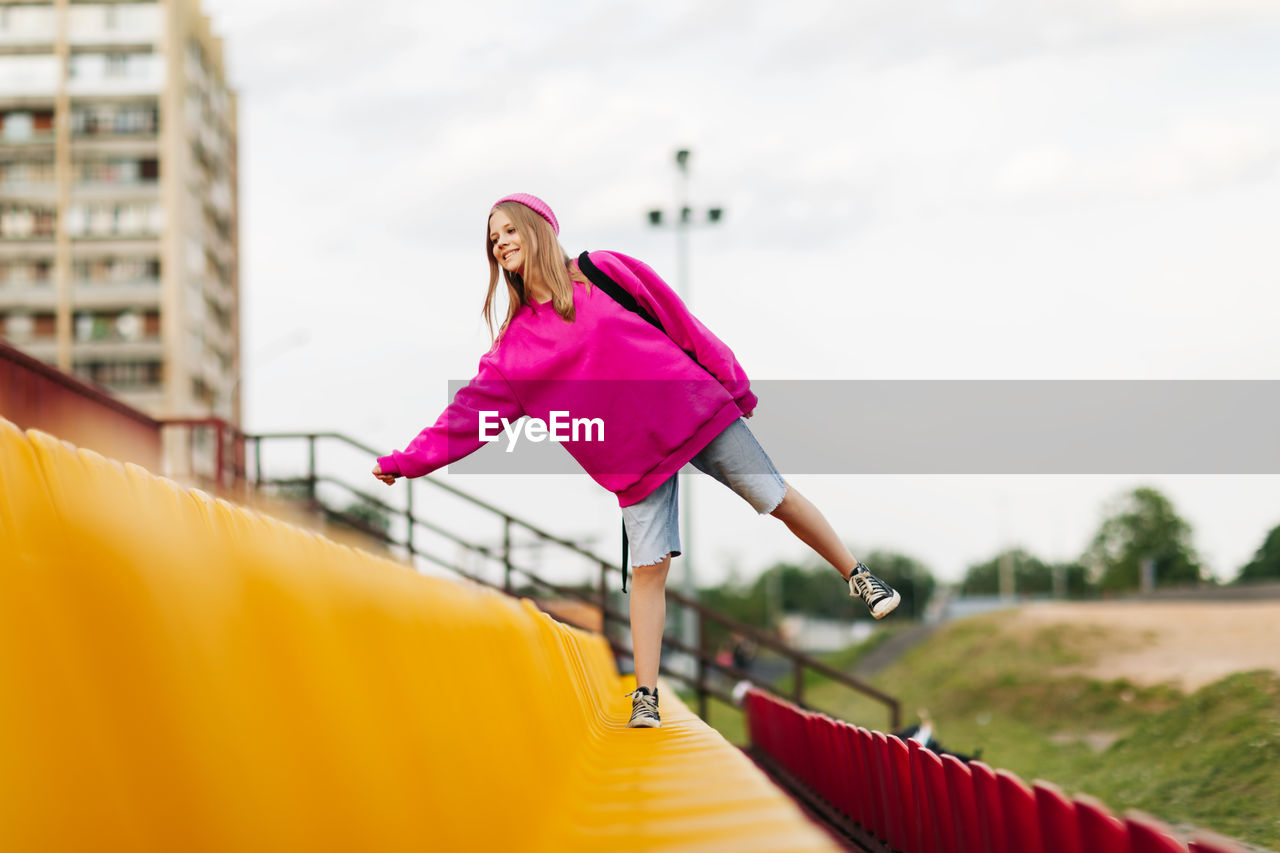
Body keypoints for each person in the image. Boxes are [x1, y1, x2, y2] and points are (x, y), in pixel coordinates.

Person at [373, 193, 900, 729]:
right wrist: (406, 461)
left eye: (509, 230)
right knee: (648, 569)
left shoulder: (604, 272)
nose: (501, 242)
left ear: (540, 228)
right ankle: (645, 695)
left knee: (774, 497)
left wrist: (733, 383)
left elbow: (680, 322)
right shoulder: (515, 351)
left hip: (692, 408)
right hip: (632, 458)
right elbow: (466, 418)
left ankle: (857, 575)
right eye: (493, 238)